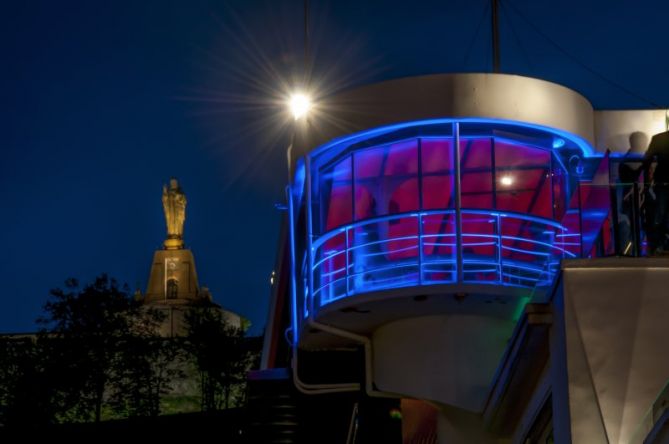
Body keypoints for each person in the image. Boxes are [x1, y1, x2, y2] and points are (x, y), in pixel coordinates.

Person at [617, 132, 647, 255]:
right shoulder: (641, 161)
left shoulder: (624, 161)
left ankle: (633, 254)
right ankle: (633, 255)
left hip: (636, 201)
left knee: (636, 231)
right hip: (632, 202)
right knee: (632, 232)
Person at [642, 131, 669, 255]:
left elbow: (647, 159)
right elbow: (647, 160)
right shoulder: (659, 138)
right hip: (662, 183)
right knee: (660, 214)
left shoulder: (659, 138)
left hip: (662, 182)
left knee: (660, 214)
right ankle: (659, 245)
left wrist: (648, 182)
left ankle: (659, 245)